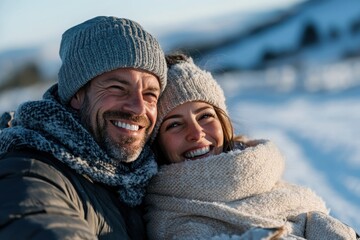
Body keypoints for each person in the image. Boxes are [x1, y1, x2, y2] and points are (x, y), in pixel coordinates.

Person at [144, 54, 359, 240]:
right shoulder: (171, 218)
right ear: (157, 143)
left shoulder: (258, 171)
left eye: (205, 116)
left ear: (222, 121)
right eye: (174, 124)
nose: (196, 132)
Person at [0, 16, 167, 239]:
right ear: (76, 95)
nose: (138, 107)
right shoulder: (29, 172)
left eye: (150, 94)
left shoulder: (144, 180)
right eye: (117, 87)